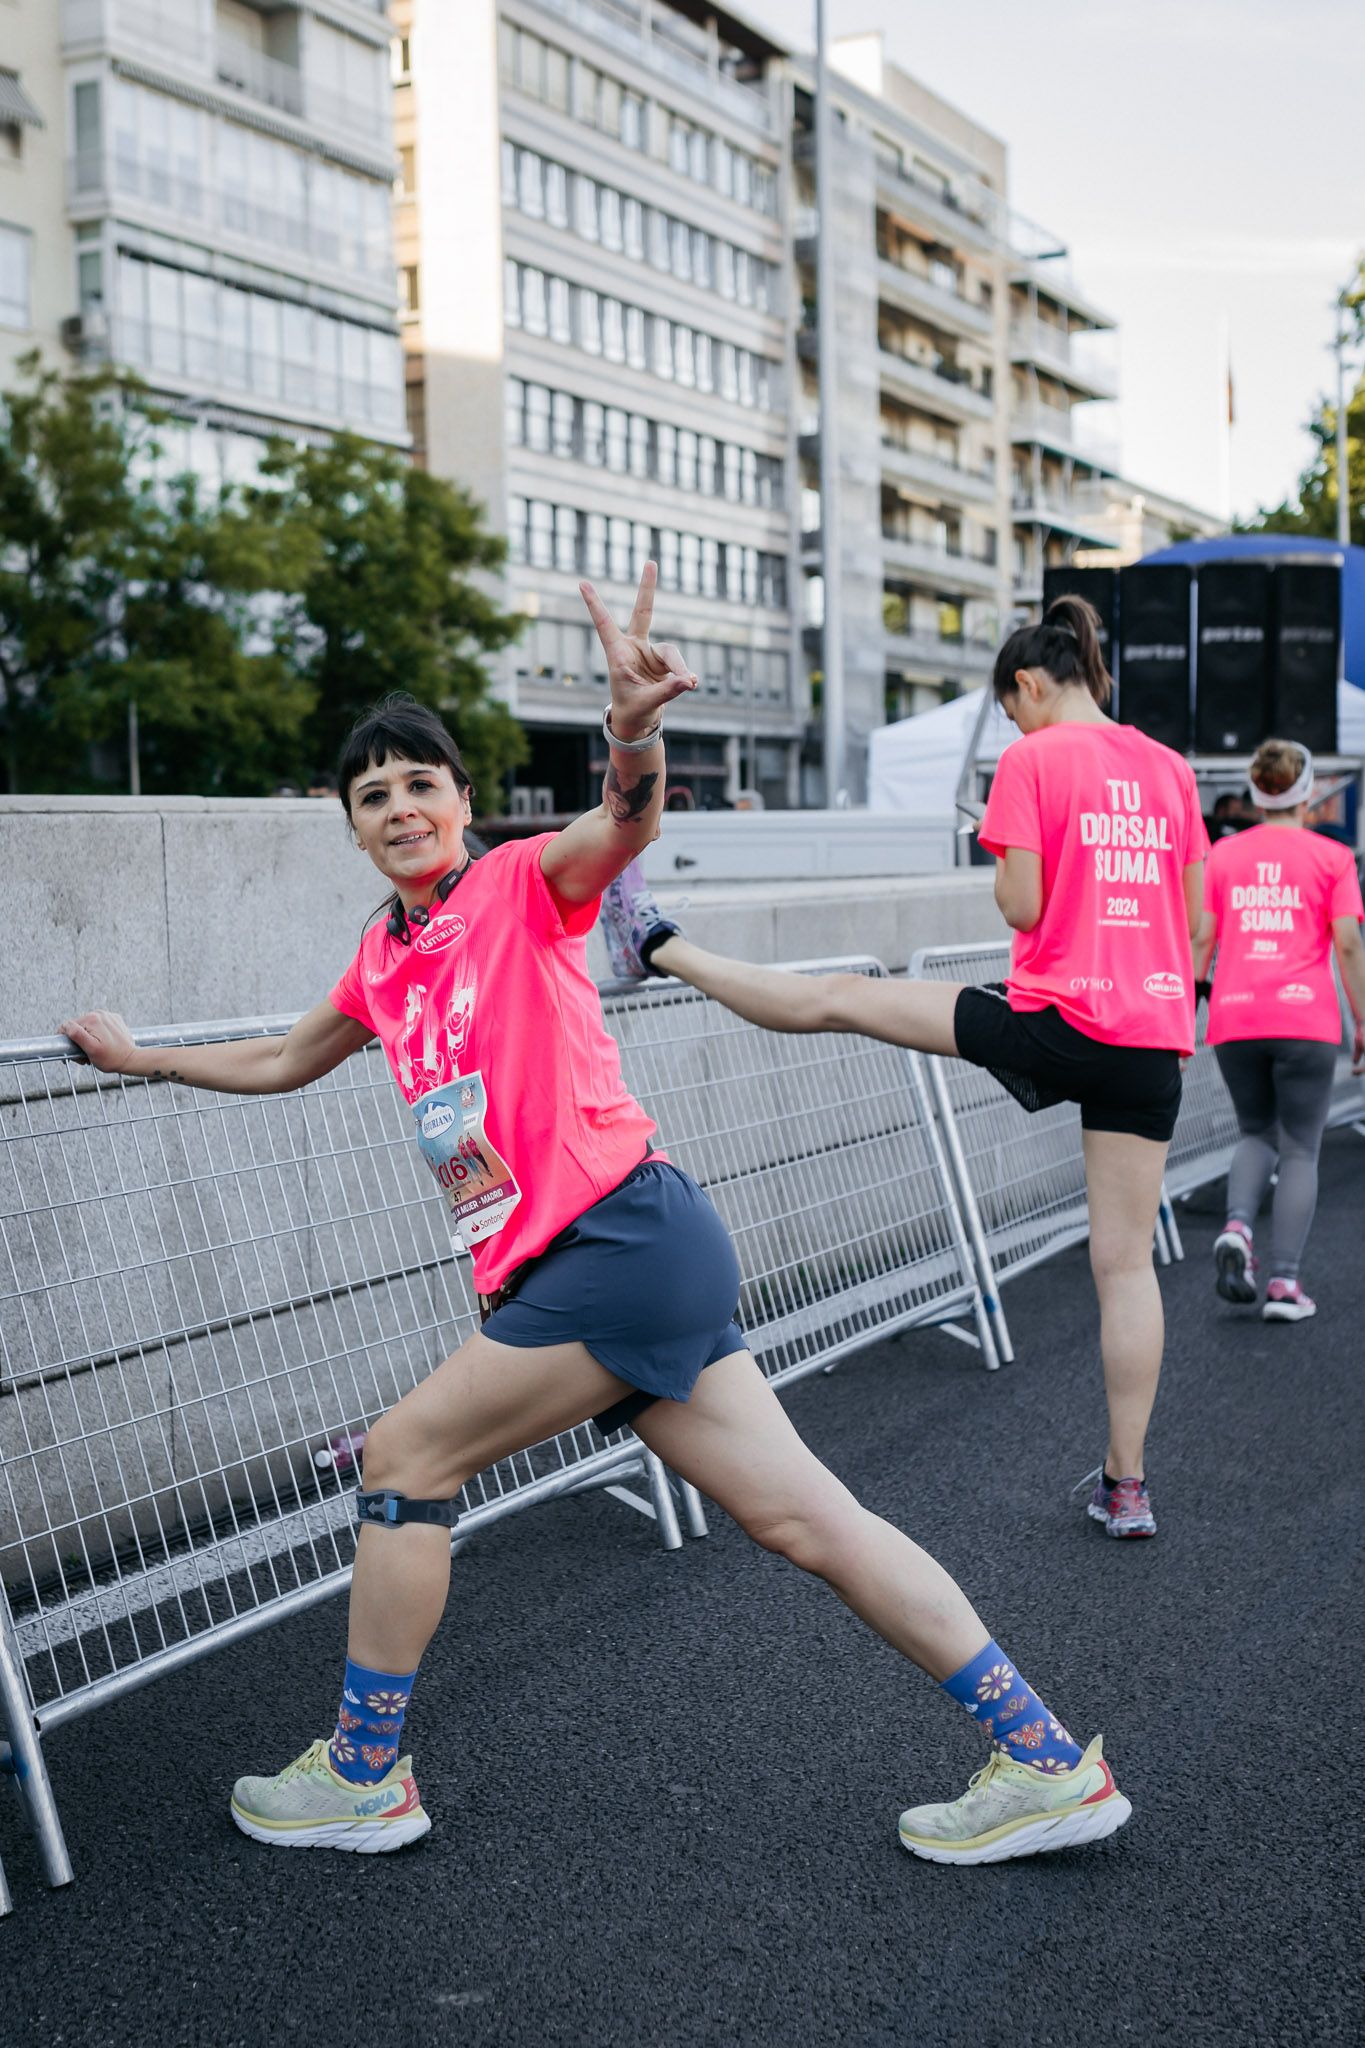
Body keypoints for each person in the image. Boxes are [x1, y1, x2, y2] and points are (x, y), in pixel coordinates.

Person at [59, 565, 1129, 1868]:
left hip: (616, 1248)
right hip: (618, 1264)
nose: (401, 807)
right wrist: (143, 1059)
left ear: (462, 798)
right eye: (373, 794)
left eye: (421, 783)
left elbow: (616, 829)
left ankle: (362, 1776)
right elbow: (285, 1059)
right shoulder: (381, 958)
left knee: (404, 1460)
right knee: (808, 1521)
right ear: (350, 826)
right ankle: (1041, 1757)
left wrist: (632, 732)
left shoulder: (517, 884)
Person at [602, 595, 1210, 1541]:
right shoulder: (1169, 769)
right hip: (1150, 1040)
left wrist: (999, 842)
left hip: (1055, 1020)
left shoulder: (1033, 759)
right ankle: (1126, 1486)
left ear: (1027, 685)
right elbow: (1197, 921)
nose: (1015, 725)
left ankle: (655, 941)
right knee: (1125, 1265)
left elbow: (1019, 906)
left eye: (1012, 711)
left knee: (842, 998)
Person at [1194, 738, 1365, 1321]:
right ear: (1307, 788)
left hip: (1235, 1015)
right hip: (1304, 1019)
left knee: (1255, 1133)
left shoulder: (1224, 855)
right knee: (1299, 1149)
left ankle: (1238, 1229)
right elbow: (1347, 942)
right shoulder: (1333, 857)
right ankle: (1285, 1286)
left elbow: (1201, 939)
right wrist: (1363, 1021)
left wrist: (1189, 1009)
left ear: (1257, 789)